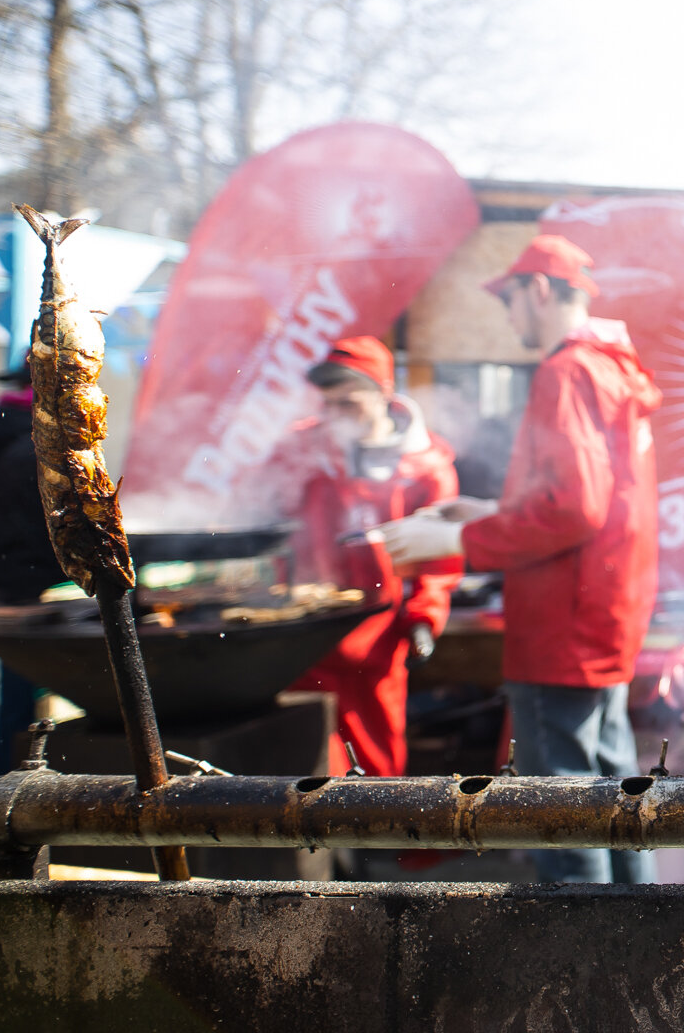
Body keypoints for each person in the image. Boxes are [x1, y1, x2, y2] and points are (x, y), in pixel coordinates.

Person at [379, 234, 662, 884]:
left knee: (562, 806)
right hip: (606, 615)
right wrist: (482, 512)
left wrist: (456, 543)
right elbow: (593, 499)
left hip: (561, 626)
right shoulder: (613, 367)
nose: (508, 318)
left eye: (510, 300)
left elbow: (573, 509)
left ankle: (581, 946)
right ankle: (639, 929)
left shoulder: (566, 371)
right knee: (617, 790)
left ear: (539, 289)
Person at [280, 336, 460, 778]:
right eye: (329, 405)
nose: (336, 416)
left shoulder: (425, 467)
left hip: (379, 636)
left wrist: (423, 619)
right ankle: (326, 847)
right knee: (312, 759)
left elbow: (439, 563)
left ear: (383, 393)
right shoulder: (301, 448)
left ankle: (381, 843)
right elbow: (263, 506)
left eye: (349, 404)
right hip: (306, 632)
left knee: (377, 754)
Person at [0, 362, 57, 777]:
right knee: (20, 686)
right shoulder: (31, 445)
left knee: (19, 686)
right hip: (21, 576)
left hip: (1, 571)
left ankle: (2, 776)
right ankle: (9, 784)